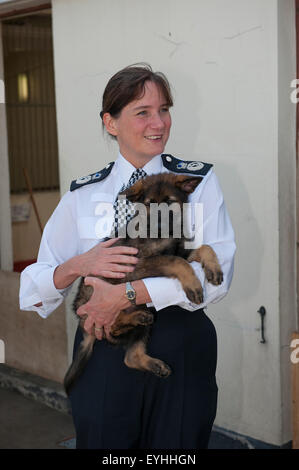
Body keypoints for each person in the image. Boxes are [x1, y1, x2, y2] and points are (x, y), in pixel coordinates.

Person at [19, 64, 236, 449]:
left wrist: (129, 293)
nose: (159, 123)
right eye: (143, 112)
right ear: (111, 122)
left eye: (164, 109)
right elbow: (35, 288)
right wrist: (78, 265)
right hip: (106, 346)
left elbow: (216, 278)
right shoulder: (83, 195)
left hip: (180, 344)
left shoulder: (195, 183)